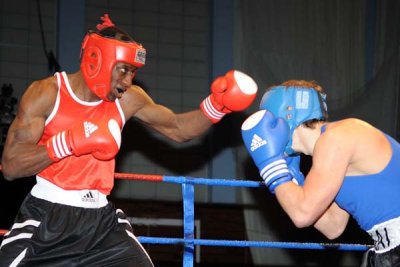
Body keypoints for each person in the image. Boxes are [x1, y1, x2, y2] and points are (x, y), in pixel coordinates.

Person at [0, 14, 258, 266]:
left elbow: (178, 128)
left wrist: (217, 105)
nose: (128, 81)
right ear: (96, 59)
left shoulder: (128, 99)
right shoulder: (47, 93)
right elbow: (11, 167)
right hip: (47, 216)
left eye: (132, 73)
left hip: (101, 222)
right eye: (123, 70)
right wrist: (67, 142)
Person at [241, 80, 400, 267]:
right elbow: (333, 226)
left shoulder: (337, 138)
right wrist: (294, 180)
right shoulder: (329, 154)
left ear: (288, 114)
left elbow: (302, 215)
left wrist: (271, 165)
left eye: (269, 120)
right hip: (388, 248)